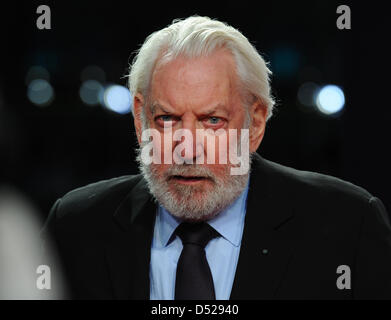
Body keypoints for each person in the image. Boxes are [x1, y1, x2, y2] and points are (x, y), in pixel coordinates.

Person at [41, 16, 391, 300]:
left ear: (255, 123)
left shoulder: (348, 227)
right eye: (167, 119)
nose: (188, 148)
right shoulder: (75, 227)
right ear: (139, 119)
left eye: (212, 121)